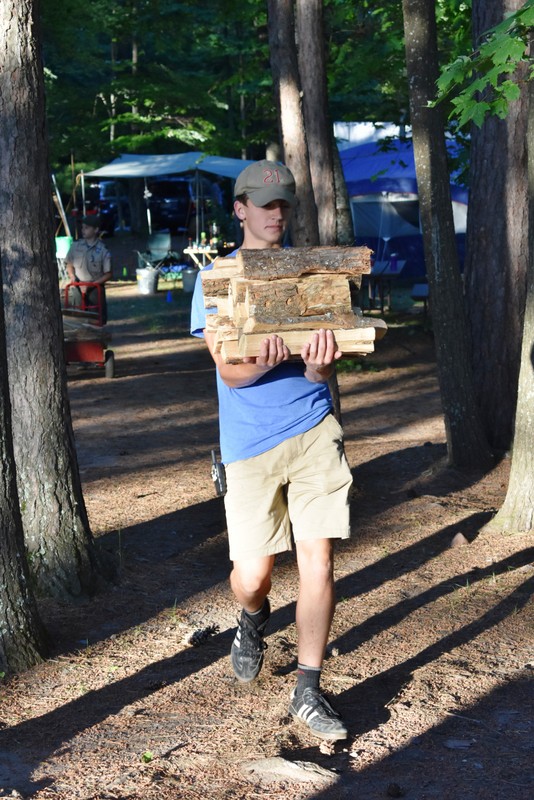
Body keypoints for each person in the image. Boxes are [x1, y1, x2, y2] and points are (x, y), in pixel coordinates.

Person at [190, 159, 352, 742]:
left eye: (283, 204)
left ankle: (308, 687)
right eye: (265, 205)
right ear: (240, 210)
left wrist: (317, 369)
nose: (276, 214)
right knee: (252, 575)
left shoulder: (311, 275)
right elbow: (229, 373)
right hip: (249, 443)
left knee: (318, 561)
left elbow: (319, 368)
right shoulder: (216, 279)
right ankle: (253, 617)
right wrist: (265, 360)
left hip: (313, 429)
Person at [66, 215, 112, 323]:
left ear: (96, 230)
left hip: (95, 288)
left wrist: (91, 285)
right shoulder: (75, 246)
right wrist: (72, 276)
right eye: (82, 227)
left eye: (86, 228)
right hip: (77, 286)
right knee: (77, 320)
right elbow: (69, 264)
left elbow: (109, 274)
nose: (83, 230)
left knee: (95, 321)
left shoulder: (103, 250)